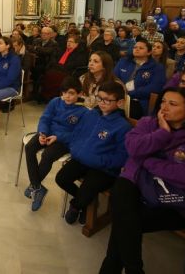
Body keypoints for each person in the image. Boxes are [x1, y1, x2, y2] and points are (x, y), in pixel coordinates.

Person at [100, 87, 185, 274]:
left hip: (171, 201)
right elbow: (132, 147)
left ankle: (114, 269)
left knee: (125, 222)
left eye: (172, 104)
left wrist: (146, 160)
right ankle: (133, 269)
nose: (164, 107)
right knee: (122, 194)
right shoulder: (149, 123)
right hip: (137, 185)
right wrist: (162, 133)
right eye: (163, 101)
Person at [55, 81, 131, 223]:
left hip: (104, 168)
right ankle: (86, 203)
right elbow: (76, 134)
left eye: (107, 100)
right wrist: (75, 149)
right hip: (82, 158)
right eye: (99, 98)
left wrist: (100, 161)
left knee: (88, 186)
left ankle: (76, 206)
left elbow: (122, 157)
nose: (102, 103)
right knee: (61, 178)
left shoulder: (123, 126)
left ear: (120, 102)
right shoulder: (90, 115)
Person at [23, 77, 88, 211]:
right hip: (47, 133)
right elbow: (45, 118)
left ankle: (35, 186)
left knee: (47, 155)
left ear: (79, 94)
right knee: (29, 147)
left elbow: (77, 134)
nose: (66, 96)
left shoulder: (83, 112)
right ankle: (37, 187)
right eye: (64, 93)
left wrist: (58, 137)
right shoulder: (55, 102)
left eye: (71, 93)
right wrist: (42, 133)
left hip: (64, 140)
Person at [114, 40, 166, 119]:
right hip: (118, 96)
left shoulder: (157, 67)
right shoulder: (123, 61)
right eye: (135, 47)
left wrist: (130, 93)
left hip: (138, 101)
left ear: (149, 52)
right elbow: (114, 78)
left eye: (141, 48)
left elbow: (155, 87)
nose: (136, 49)